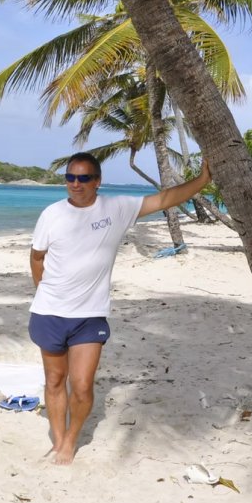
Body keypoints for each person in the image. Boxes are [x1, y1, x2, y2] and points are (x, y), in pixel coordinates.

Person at [28, 151, 212, 464]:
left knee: (82, 386)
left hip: (89, 316)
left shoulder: (116, 209)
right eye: (70, 177)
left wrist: (203, 179)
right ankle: (59, 439)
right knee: (55, 381)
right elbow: (37, 257)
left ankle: (71, 439)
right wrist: (43, 292)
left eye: (83, 178)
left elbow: (164, 199)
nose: (76, 184)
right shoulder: (52, 214)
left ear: (97, 181)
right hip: (49, 312)